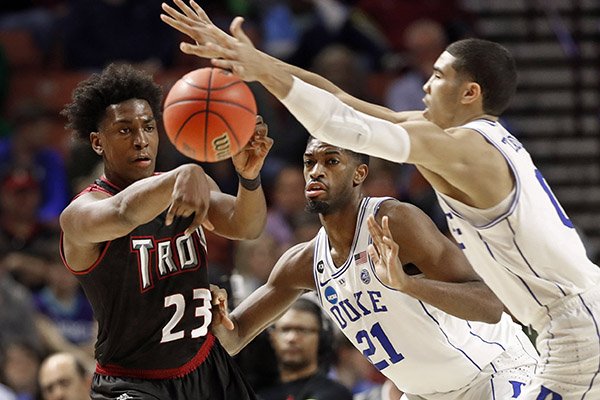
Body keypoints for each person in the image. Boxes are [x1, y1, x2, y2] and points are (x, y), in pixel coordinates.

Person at [161, 3, 600, 398]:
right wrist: (258, 65)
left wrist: (408, 285)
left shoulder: (464, 152)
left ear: (470, 93)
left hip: (556, 337)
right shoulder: (452, 141)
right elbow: (342, 103)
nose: (424, 84)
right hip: (546, 334)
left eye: (439, 76)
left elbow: (343, 125)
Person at [207, 136, 539, 399]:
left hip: (492, 373)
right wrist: (219, 318)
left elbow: (493, 304)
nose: (315, 171)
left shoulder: (393, 221)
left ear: (359, 173)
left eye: (331, 161)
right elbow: (233, 339)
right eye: (310, 162)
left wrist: (409, 286)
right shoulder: (303, 262)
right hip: (424, 394)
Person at [59, 62, 273, 399]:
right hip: (132, 381)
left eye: (148, 126)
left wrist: (249, 177)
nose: (141, 140)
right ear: (98, 142)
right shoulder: (81, 213)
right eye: (125, 130)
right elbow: (123, 212)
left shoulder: (187, 183)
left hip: (205, 365)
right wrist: (182, 174)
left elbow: (247, 226)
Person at [258, 297, 353, 400]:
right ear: (272, 337)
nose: (292, 338)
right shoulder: (256, 391)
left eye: (302, 330)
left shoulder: (336, 394)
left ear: (321, 338)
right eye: (285, 330)